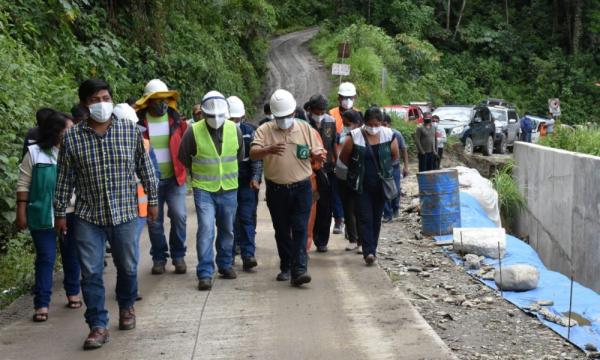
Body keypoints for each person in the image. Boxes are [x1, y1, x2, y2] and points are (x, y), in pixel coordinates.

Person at [54, 79, 158, 350]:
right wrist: (60, 212)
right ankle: (97, 325)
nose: (101, 103)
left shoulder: (129, 131)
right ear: (85, 104)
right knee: (90, 273)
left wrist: (153, 201)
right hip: (88, 215)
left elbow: (145, 168)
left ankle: (126, 307)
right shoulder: (72, 138)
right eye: (94, 99)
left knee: (127, 266)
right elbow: (64, 178)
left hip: (125, 213)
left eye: (105, 97)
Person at [250, 89, 325, 286]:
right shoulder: (264, 130)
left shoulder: (305, 129)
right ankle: (286, 265)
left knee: (300, 227)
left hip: (302, 187)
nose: (284, 120)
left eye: (288, 116)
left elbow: (318, 152)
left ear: (293, 113)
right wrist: (268, 150)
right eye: (280, 117)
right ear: (274, 116)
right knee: (282, 230)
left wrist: (317, 157)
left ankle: (299, 268)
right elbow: (254, 153)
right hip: (276, 190)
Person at [16, 110, 81, 323]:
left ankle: (73, 292)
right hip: (42, 214)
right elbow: (24, 184)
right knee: (46, 258)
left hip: (72, 213)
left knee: (71, 254)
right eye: (68, 130)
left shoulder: (75, 152)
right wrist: (21, 211)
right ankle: (41, 303)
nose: (73, 134)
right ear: (56, 132)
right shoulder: (35, 153)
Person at [178, 91, 244, 291]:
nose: (215, 119)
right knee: (206, 229)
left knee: (227, 229)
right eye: (210, 116)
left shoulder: (235, 130)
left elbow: (239, 157)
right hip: (204, 189)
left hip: (229, 189)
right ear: (203, 114)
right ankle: (205, 272)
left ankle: (224, 265)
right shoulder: (193, 131)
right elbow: (184, 157)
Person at [135, 79, 188, 275]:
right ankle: (159, 257)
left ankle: (178, 255)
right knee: (154, 221)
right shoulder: (139, 125)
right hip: (150, 181)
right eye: (157, 100)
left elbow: (187, 147)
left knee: (179, 215)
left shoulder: (177, 122)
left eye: (165, 99)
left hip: (175, 178)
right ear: (148, 101)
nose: (162, 103)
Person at [340, 107, 399, 266]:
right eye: (370, 124)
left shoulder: (388, 135)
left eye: (377, 123)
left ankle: (373, 247)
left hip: (380, 185)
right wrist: (356, 170)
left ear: (381, 122)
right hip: (361, 186)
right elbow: (344, 157)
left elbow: (395, 156)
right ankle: (369, 252)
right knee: (365, 218)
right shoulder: (354, 136)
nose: (373, 127)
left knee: (376, 218)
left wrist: (385, 170)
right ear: (364, 122)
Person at [227, 96, 262, 271]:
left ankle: (248, 255)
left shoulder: (250, 132)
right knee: (229, 221)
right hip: (227, 185)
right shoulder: (219, 134)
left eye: (236, 119)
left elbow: (256, 159)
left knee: (247, 218)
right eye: (230, 119)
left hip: (246, 183)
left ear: (242, 117)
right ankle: (229, 256)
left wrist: (255, 178)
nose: (234, 122)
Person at [306, 94, 337, 253]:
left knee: (325, 207)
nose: (320, 114)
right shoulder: (303, 122)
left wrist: (335, 165)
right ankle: (307, 238)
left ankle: (322, 240)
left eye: (322, 111)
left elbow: (333, 145)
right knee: (311, 205)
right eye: (317, 111)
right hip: (308, 169)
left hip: (327, 169)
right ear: (310, 109)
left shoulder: (330, 122)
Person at [329, 82, 358, 234]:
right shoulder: (331, 114)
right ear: (339, 98)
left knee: (352, 194)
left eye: (350, 97)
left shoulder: (359, 115)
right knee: (336, 192)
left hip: (354, 162)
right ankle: (339, 220)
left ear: (354, 97)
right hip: (336, 159)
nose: (347, 100)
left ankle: (350, 224)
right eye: (344, 97)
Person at [335, 109, 363, 252]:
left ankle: (360, 241)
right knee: (347, 208)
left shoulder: (361, 136)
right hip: (341, 175)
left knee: (358, 208)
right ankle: (352, 238)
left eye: (348, 123)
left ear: (357, 123)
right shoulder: (343, 133)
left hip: (355, 176)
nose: (346, 125)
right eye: (344, 123)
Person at [382, 113, 409, 222]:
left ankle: (395, 208)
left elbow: (404, 149)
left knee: (396, 189)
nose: (383, 127)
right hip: (383, 167)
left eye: (385, 124)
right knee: (385, 190)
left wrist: (406, 166)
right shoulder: (378, 135)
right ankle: (387, 214)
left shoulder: (396, 134)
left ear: (389, 124)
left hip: (395, 166)